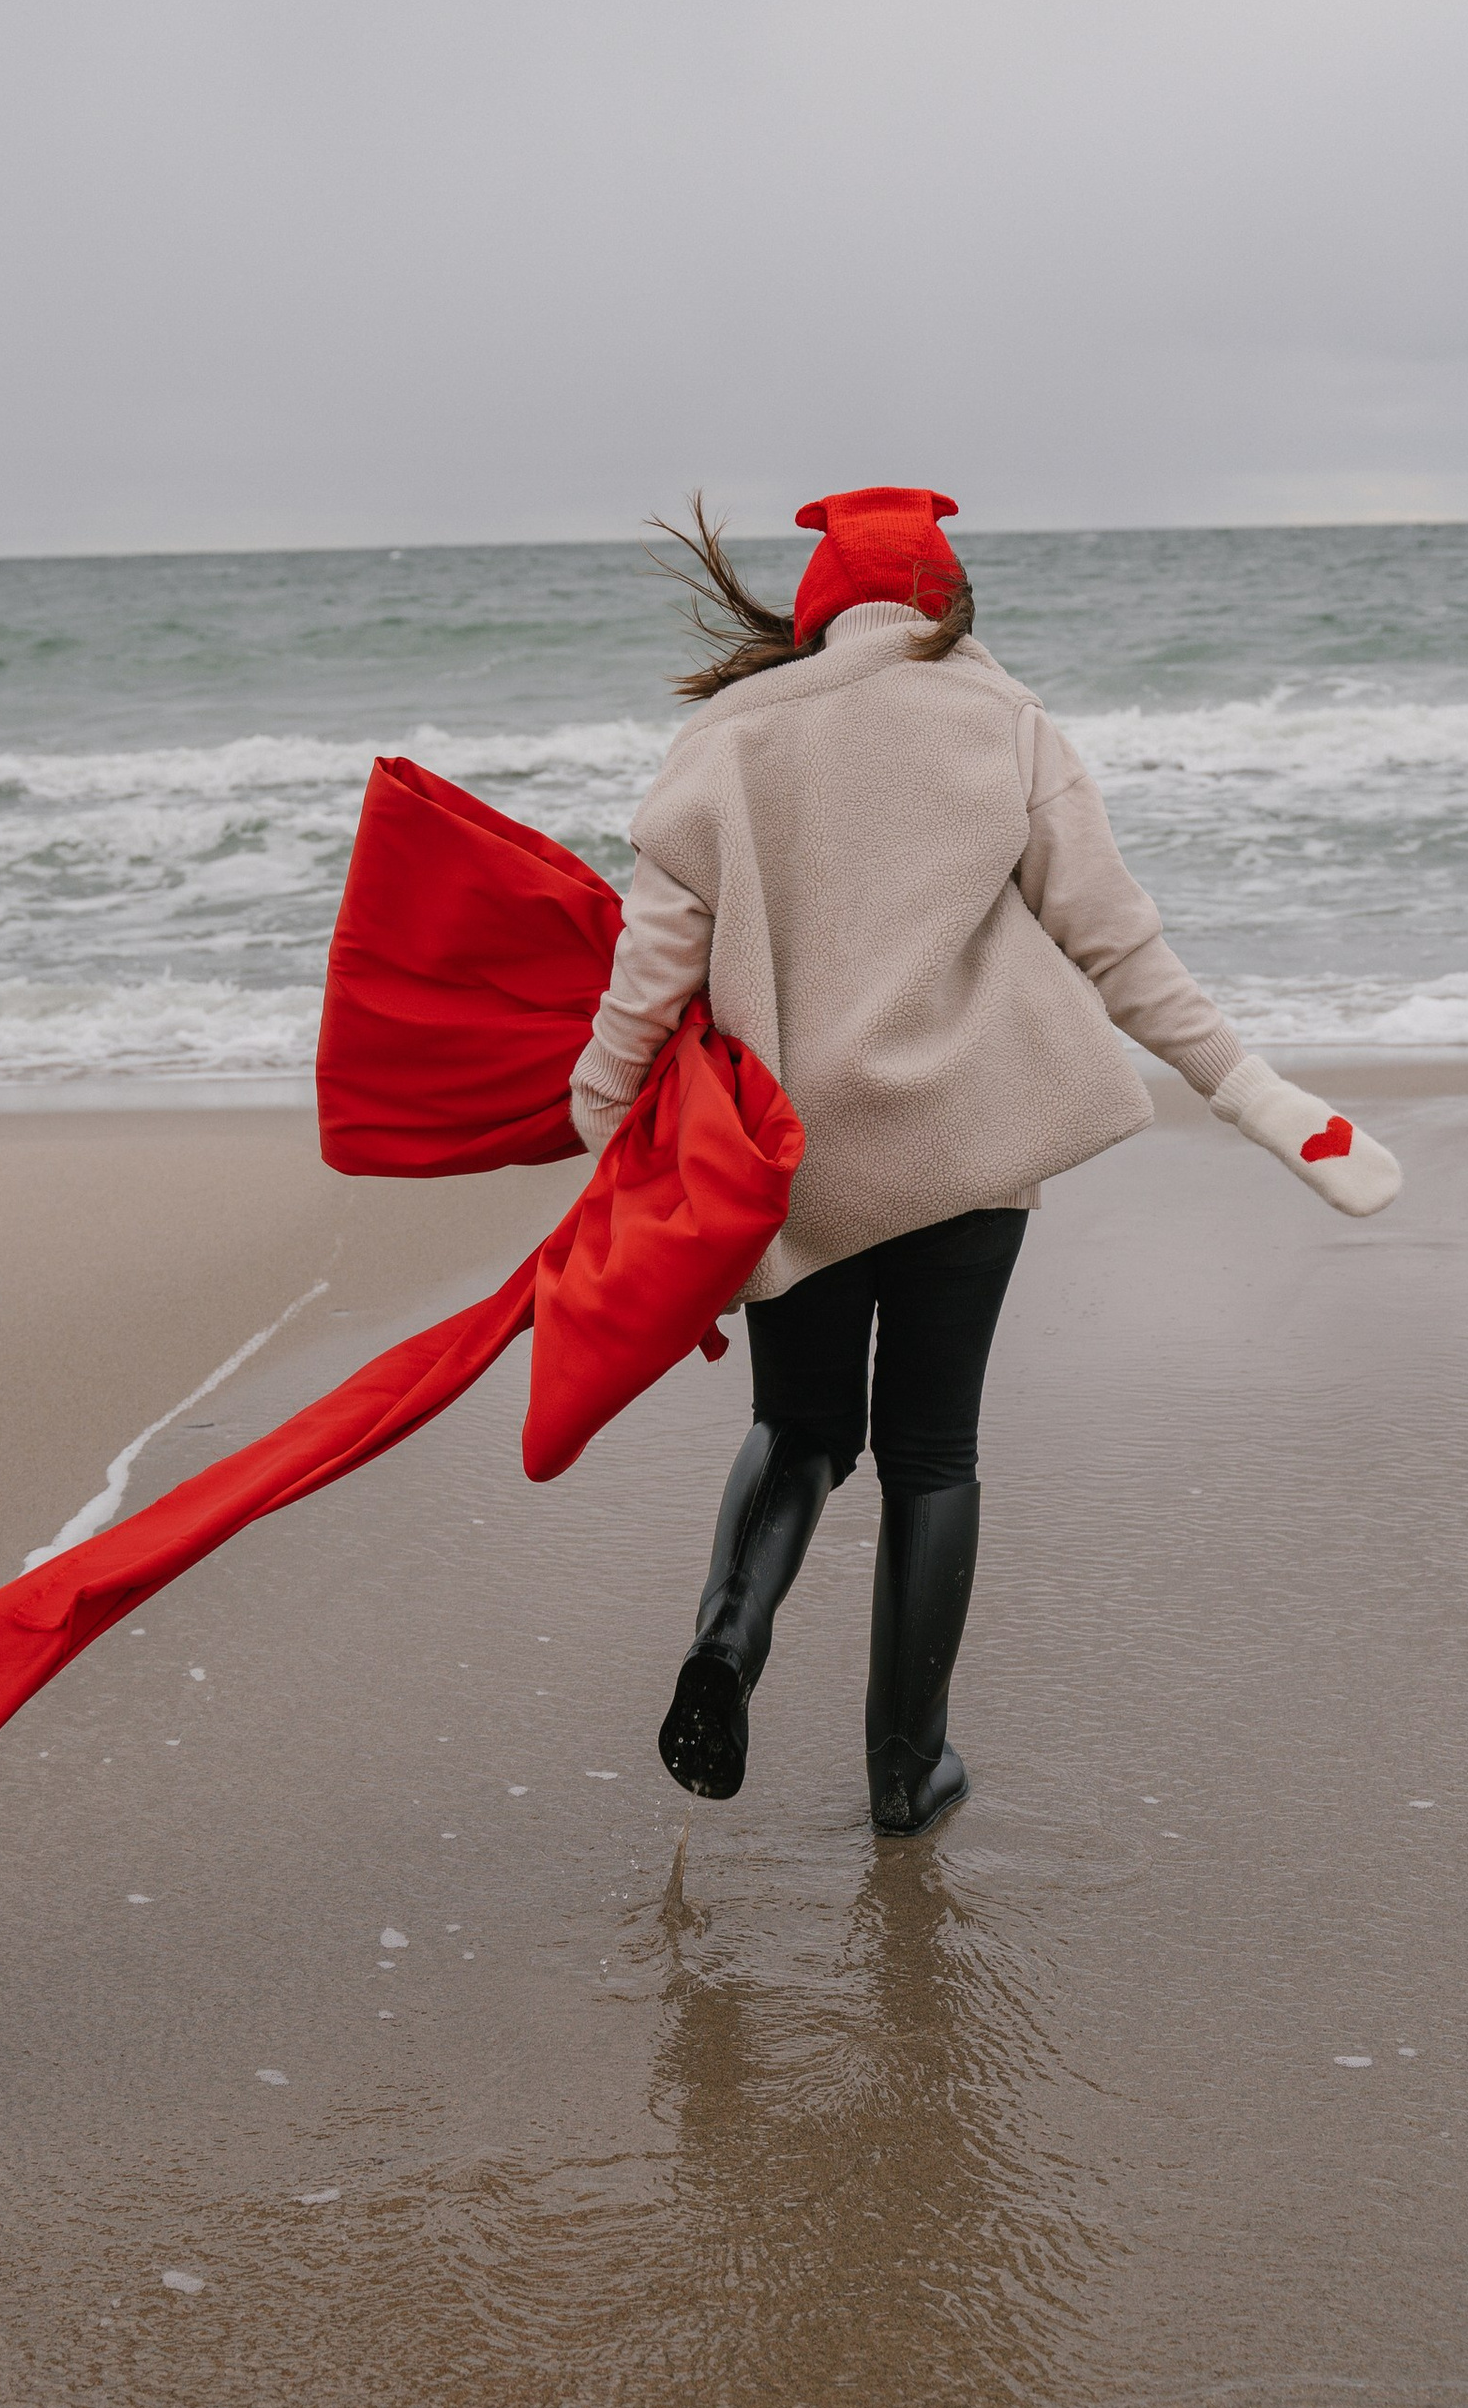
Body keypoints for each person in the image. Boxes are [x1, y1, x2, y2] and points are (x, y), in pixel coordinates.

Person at [566, 487, 1401, 1836]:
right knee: (932, 1455)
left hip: (798, 1165)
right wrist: (1252, 1092)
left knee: (800, 1430)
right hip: (969, 1149)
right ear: (948, 608)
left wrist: (602, 1125)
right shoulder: (1008, 725)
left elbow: (650, 972)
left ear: (816, 609)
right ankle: (908, 1774)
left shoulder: (724, 741)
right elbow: (1121, 949)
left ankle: (727, 1642)